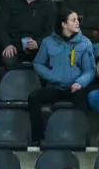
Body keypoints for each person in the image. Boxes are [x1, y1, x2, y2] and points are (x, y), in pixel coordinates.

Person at [29, 8, 95, 142]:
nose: (78, 23)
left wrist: (80, 82)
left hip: (75, 88)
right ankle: (38, 137)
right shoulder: (48, 42)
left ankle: (83, 139)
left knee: (83, 101)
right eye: (73, 20)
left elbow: (90, 70)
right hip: (55, 87)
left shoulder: (85, 43)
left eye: (78, 20)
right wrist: (52, 76)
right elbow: (38, 63)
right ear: (63, 24)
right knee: (33, 98)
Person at [0, 0, 56, 67]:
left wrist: (38, 43)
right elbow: (1, 27)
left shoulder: (48, 6)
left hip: (39, 47)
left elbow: (51, 31)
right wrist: (7, 44)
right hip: (15, 46)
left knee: (50, 60)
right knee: (7, 59)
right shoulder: (10, 2)